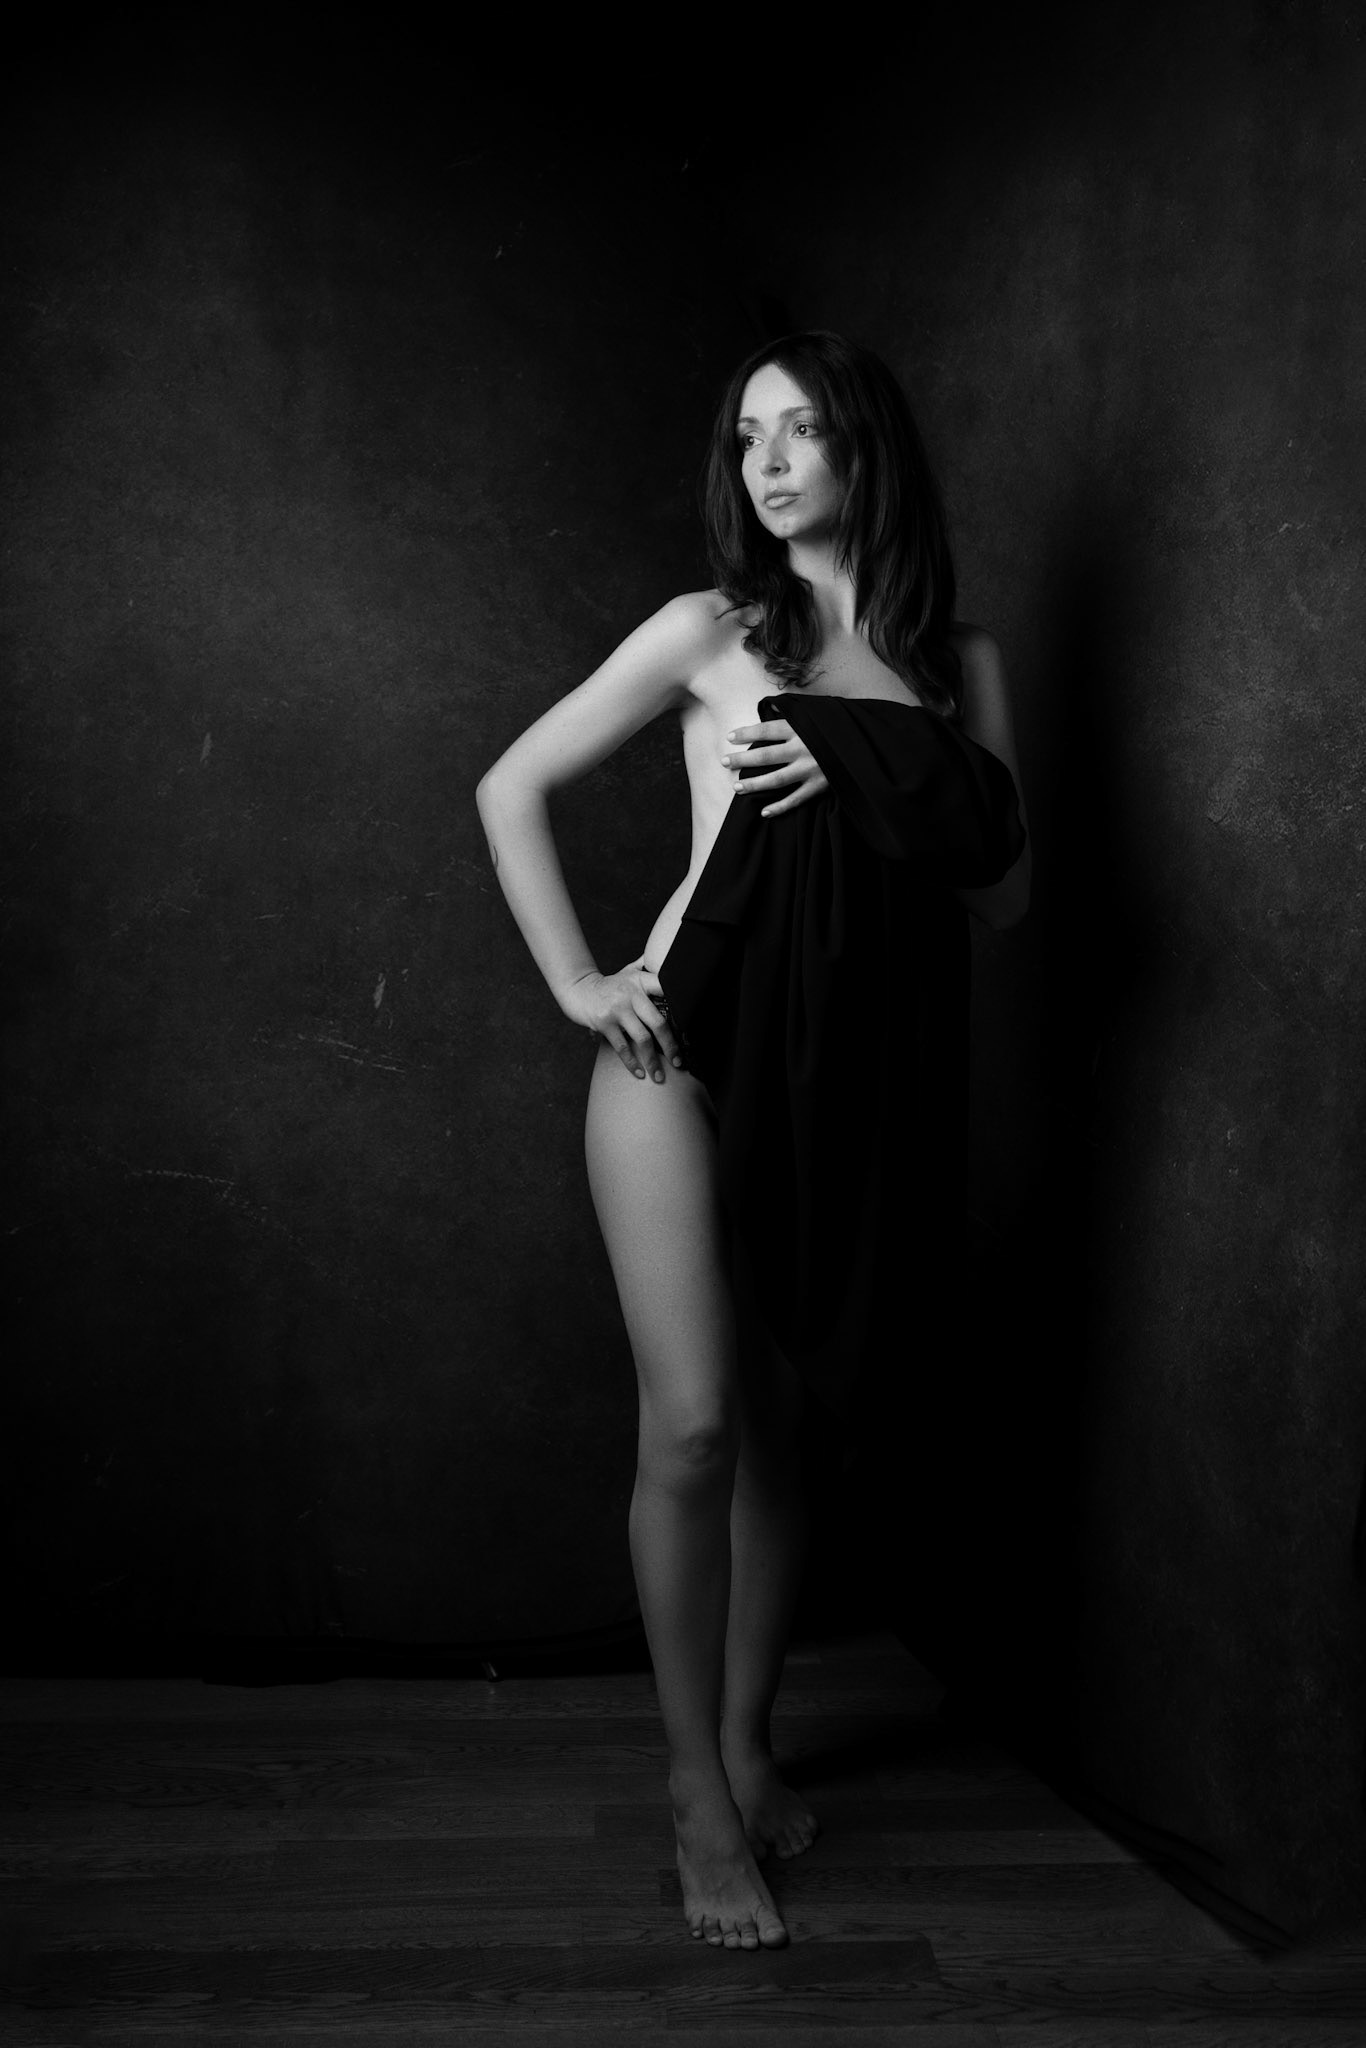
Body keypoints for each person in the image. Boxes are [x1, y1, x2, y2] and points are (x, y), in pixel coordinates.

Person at [476, 331, 1030, 1953]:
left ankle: (745, 1741)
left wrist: (870, 766)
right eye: (746, 437)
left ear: (867, 448)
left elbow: (1006, 891)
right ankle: (691, 1794)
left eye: (799, 432)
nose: (766, 463)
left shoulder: (956, 665)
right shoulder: (710, 632)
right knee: (698, 1430)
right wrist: (580, 983)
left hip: (842, 1085)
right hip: (680, 1060)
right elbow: (510, 785)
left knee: (788, 1441)